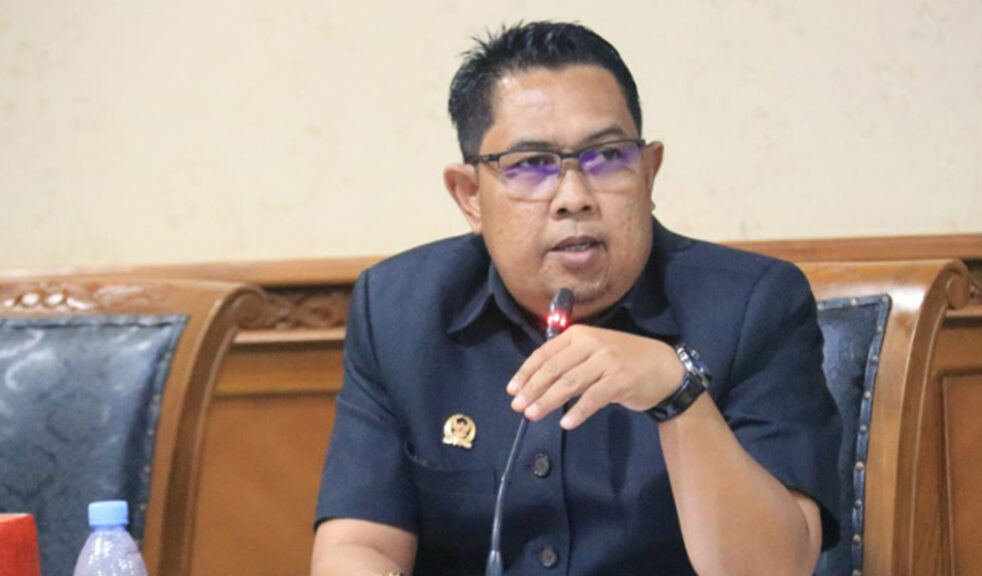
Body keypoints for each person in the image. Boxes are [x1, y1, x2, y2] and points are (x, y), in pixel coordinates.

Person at [311, 21, 840, 576]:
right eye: (529, 165)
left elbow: (775, 568)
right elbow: (357, 548)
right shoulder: (397, 312)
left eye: (607, 156)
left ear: (649, 173)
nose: (574, 197)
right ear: (469, 195)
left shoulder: (753, 307)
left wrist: (678, 395)